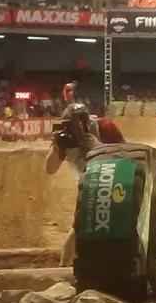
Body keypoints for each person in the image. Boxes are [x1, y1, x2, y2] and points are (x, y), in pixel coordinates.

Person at [45, 103, 126, 266]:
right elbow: (50, 169)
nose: (77, 129)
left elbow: (127, 155)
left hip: (115, 178)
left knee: (118, 222)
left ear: (88, 121)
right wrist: (56, 148)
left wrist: (98, 148)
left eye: (80, 123)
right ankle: (63, 266)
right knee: (80, 224)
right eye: (72, 125)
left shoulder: (105, 127)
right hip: (89, 183)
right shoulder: (64, 139)